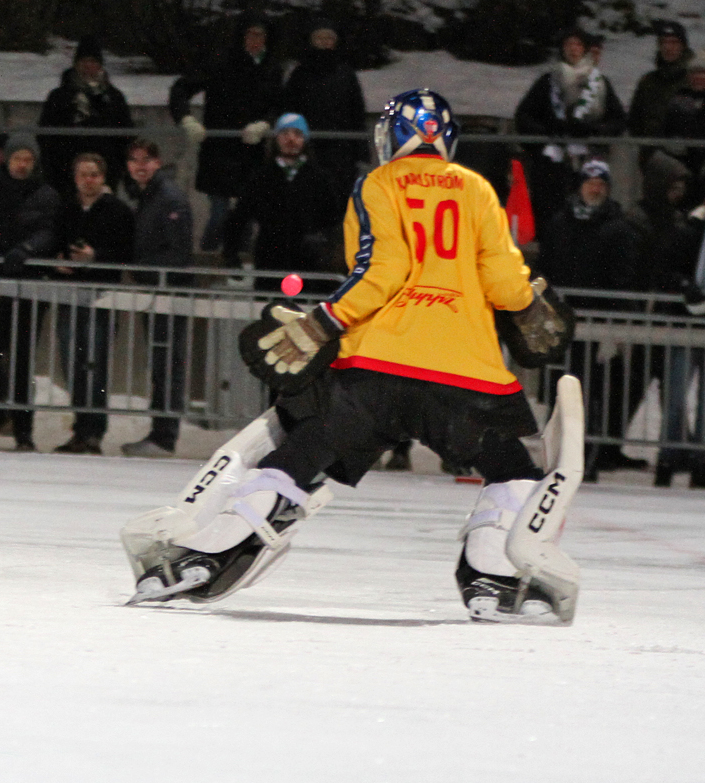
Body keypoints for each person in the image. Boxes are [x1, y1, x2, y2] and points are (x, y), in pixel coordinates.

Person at [125, 89, 576, 624]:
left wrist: (323, 322)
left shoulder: (379, 182)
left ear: (394, 135)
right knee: (511, 470)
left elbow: (382, 272)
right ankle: (496, 575)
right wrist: (529, 305)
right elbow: (505, 284)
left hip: (377, 366)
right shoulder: (477, 189)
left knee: (300, 453)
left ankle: (213, 550)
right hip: (464, 374)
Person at [535, 159, 648, 478]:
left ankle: (587, 458)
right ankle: (555, 455)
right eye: (590, 183)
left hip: (597, 326)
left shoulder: (619, 228)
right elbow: (546, 267)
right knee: (558, 391)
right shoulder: (560, 223)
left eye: (601, 184)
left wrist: (615, 321)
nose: (595, 189)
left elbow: (625, 278)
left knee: (591, 395)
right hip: (560, 324)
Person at [0, 135, 59, 451]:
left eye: (28, 159)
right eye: (18, 158)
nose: (22, 164)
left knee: (22, 362)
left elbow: (50, 230)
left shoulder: (44, 194)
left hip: (26, 289)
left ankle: (23, 430)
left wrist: (27, 249)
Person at [168, 15, 285, 250]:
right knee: (219, 214)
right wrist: (186, 119)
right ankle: (208, 259)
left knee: (246, 216)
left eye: (261, 35)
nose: (255, 40)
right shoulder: (221, 61)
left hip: (251, 151)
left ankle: (240, 263)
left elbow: (280, 103)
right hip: (218, 150)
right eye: (251, 34)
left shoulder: (272, 68)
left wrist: (266, 124)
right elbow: (181, 88)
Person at [50, 152, 136, 454]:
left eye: (94, 175)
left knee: (95, 364)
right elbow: (53, 244)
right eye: (83, 175)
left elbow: (127, 252)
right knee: (71, 363)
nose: (89, 180)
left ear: (103, 178)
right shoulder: (65, 209)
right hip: (70, 294)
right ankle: (80, 427)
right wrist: (59, 262)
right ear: (75, 178)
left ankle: (95, 429)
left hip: (102, 297)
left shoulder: (119, 211)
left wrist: (95, 257)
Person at [117, 138, 194, 458]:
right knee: (162, 363)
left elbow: (178, 252)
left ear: (158, 162)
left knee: (168, 363)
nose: (140, 166)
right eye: (134, 160)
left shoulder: (168, 197)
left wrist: (143, 270)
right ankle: (161, 432)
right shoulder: (147, 196)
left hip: (168, 292)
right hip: (156, 290)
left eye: (146, 159)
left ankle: (164, 436)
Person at [221, 113, 347, 291]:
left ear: (305, 139)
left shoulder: (320, 178)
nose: (291, 139)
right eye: (285, 133)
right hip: (270, 261)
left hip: (309, 264)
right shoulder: (261, 177)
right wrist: (231, 255)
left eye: (297, 134)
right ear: (276, 139)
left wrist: (329, 254)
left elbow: (335, 220)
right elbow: (238, 217)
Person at [514, 29, 627, 224]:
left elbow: (618, 120)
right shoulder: (547, 82)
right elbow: (524, 117)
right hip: (551, 163)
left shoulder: (599, 83)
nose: (573, 49)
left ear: (585, 49)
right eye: (569, 44)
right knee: (550, 216)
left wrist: (595, 131)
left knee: (587, 216)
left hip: (588, 162)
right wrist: (547, 132)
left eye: (578, 45)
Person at [654, 176, 705, 488]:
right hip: (685, 324)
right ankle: (668, 456)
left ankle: (701, 460)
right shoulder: (688, 230)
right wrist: (684, 285)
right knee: (676, 395)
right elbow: (666, 270)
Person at [38, 35, 133, 197]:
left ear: (100, 65)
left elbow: (126, 135)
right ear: (76, 64)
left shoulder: (114, 97)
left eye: (93, 61)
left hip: (106, 174)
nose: (88, 66)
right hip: (65, 176)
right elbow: (45, 134)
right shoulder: (59, 96)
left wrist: (117, 168)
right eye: (83, 61)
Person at [283, 19, 368, 176]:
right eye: (319, 38)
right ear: (311, 41)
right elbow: (290, 110)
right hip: (308, 148)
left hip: (342, 150)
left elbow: (357, 112)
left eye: (328, 38)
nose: (324, 42)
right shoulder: (300, 74)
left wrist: (361, 153)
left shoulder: (346, 73)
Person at [629, 20, 691, 140]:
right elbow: (635, 119)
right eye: (663, 42)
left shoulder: (695, 80)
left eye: (674, 42)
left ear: (683, 46)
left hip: (686, 148)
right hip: (649, 146)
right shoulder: (648, 81)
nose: (668, 47)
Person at [660, 54, 705, 186]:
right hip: (681, 164)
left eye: (703, 73)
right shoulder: (678, 100)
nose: (698, 78)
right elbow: (667, 129)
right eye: (695, 73)